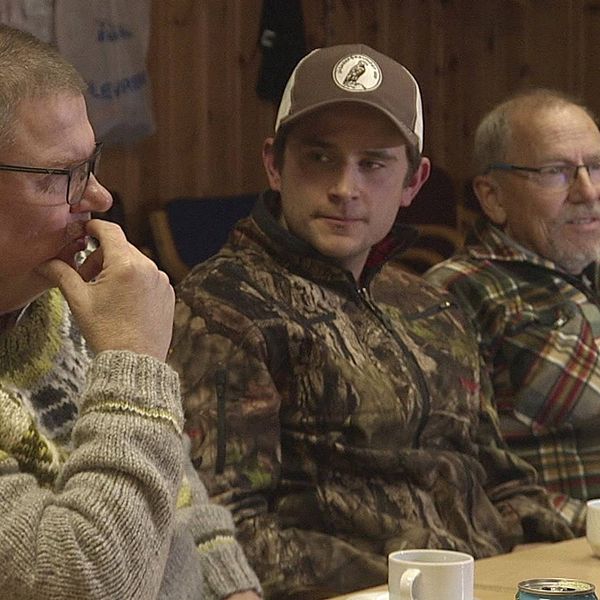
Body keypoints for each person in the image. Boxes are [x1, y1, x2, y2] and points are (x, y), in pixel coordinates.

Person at [169, 46, 572, 599]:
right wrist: (415, 577)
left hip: (487, 582)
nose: (345, 187)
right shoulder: (225, 310)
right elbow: (224, 528)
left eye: (374, 164)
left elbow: (499, 479)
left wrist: (556, 550)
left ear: (413, 182)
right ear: (273, 164)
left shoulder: (431, 306)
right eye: (319, 158)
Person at [0, 24, 261, 600]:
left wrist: (233, 589)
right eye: (62, 176)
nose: (99, 198)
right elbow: (84, 584)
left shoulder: (62, 307)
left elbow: (175, 486)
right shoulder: (115, 339)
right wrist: (134, 363)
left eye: (91, 164)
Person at [425, 88, 600, 536]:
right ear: (493, 196)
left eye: (596, 167)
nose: (587, 191)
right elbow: (465, 476)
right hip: (561, 556)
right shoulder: (457, 292)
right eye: (556, 172)